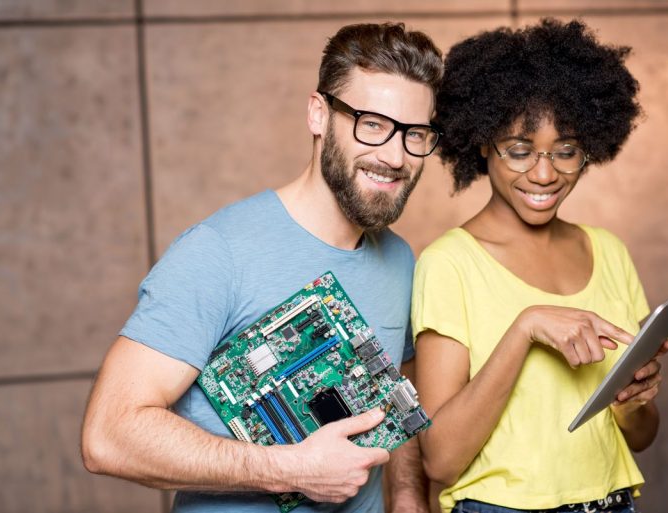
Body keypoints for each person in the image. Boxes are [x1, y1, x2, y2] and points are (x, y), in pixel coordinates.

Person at [81, 22, 443, 513]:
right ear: (318, 114)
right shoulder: (217, 252)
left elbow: (394, 399)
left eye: (414, 134)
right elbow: (108, 435)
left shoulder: (399, 259)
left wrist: (405, 498)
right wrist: (288, 469)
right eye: (372, 124)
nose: (394, 155)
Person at [412, 19, 668, 513]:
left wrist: (634, 400)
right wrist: (525, 327)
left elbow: (642, 437)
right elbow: (440, 460)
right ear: (484, 142)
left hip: (611, 503)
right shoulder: (450, 263)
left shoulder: (609, 251)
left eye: (566, 151)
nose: (545, 173)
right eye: (520, 150)